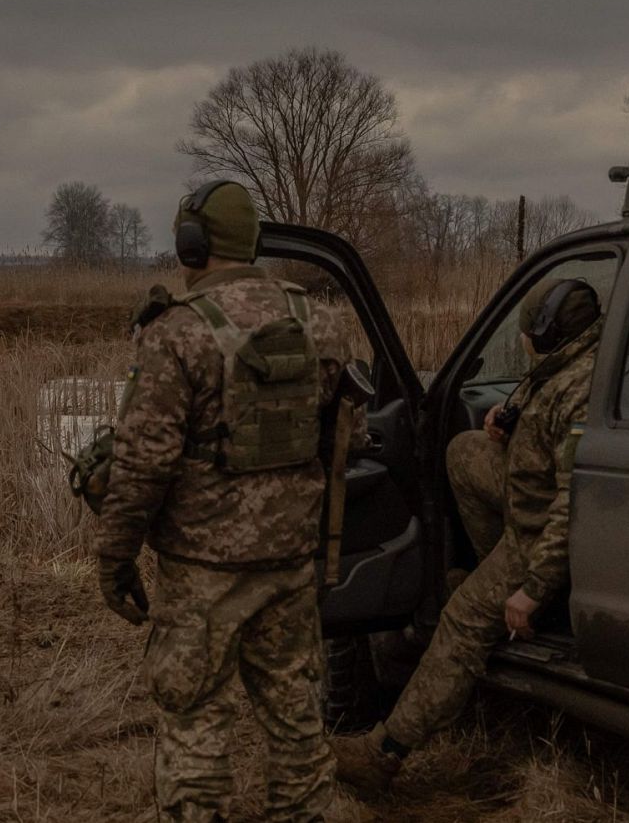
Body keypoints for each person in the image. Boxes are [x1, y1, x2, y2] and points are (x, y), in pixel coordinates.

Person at [95, 180, 362, 822]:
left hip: (201, 571)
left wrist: (115, 558)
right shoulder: (319, 323)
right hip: (290, 562)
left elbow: (141, 464)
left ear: (192, 244)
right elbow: (336, 439)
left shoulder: (177, 334)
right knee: (297, 718)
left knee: (194, 719)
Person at [332, 278, 602, 793]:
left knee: (460, 619)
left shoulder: (580, 394)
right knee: (463, 451)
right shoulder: (568, 364)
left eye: (527, 329)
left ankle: (383, 753)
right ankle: (491, 577)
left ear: (545, 332)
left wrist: (533, 587)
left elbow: (574, 507)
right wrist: (507, 422)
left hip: (540, 533)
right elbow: (537, 423)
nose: (523, 339)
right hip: (529, 499)